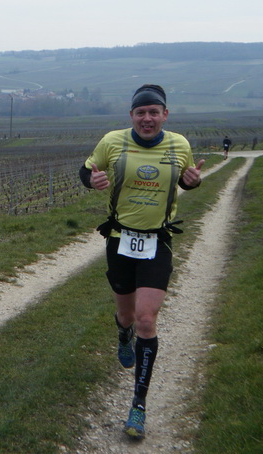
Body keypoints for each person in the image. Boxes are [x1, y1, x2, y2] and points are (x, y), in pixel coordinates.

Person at [79, 84, 204, 440]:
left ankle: (138, 405)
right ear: (131, 116)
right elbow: (86, 171)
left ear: (165, 115)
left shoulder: (179, 145)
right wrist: (92, 179)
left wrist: (192, 182)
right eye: (140, 112)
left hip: (157, 241)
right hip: (120, 239)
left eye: (154, 112)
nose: (147, 118)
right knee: (128, 315)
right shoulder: (112, 142)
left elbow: (183, 179)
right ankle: (123, 333)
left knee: (147, 319)